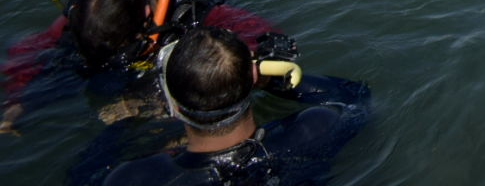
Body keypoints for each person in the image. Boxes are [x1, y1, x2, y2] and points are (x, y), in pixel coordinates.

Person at [2, 0, 270, 134]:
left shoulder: (194, 13)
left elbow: (256, 35)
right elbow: (29, 53)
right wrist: (15, 104)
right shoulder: (83, 17)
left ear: (145, 16)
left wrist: (149, 105)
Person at [99, 26, 369, 186]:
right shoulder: (313, 130)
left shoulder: (134, 176)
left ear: (175, 104)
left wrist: (122, 121)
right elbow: (356, 97)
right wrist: (269, 81)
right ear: (252, 79)